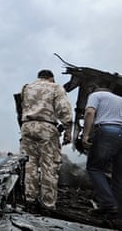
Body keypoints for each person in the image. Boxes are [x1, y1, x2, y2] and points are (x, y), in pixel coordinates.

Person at [19, 69, 73, 211]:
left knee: (29, 164)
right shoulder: (55, 87)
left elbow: (21, 107)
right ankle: (47, 203)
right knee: (49, 165)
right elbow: (64, 110)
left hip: (27, 126)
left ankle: (29, 199)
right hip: (46, 128)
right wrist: (68, 129)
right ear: (51, 78)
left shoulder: (27, 87)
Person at [82, 87, 122, 218]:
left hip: (107, 131)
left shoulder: (96, 95)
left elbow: (89, 112)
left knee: (94, 168)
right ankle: (116, 210)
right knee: (119, 174)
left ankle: (108, 204)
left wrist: (85, 135)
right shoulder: (120, 99)